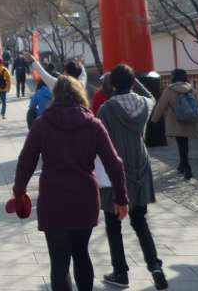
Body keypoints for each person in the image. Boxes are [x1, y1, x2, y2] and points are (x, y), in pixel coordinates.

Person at [12, 76, 129, 291]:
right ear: (80, 94)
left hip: (52, 197)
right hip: (84, 196)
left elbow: (25, 161)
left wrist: (19, 192)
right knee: (81, 254)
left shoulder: (42, 123)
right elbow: (115, 163)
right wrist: (121, 199)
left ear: (55, 96)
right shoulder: (93, 124)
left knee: (59, 262)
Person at [98, 64, 168, 289]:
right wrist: (133, 80)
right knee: (140, 221)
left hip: (116, 170)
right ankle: (155, 266)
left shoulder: (106, 109)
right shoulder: (144, 104)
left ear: (112, 84)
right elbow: (150, 95)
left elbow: (101, 144)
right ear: (131, 83)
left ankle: (121, 273)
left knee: (113, 223)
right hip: (141, 165)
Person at [151, 68, 198, 181]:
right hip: (189, 121)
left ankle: (187, 167)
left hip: (176, 122)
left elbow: (160, 106)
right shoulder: (191, 89)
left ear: (173, 77)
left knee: (181, 144)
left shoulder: (169, 90)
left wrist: (154, 120)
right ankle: (182, 166)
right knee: (184, 144)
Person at [23, 52, 87, 91]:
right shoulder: (81, 84)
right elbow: (83, 75)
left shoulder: (61, 84)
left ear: (66, 72)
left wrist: (33, 61)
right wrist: (81, 64)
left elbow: (44, 75)